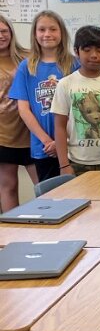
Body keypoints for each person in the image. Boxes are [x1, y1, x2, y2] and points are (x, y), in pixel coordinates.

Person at [9, 10, 78, 182]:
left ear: (62, 33)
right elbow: (24, 110)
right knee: (48, 195)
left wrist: (62, 141)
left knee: (76, 193)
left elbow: (79, 109)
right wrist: (47, 141)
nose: (47, 34)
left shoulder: (74, 64)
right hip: (43, 146)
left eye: (53, 29)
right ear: (35, 34)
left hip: (72, 144)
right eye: (42, 30)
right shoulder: (26, 67)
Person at [52, 26, 100, 176]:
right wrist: (64, 165)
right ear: (76, 51)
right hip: (77, 161)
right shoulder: (65, 84)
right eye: (87, 50)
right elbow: (60, 127)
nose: (94, 55)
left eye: (99, 50)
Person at [0, 15, 37, 211]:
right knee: (9, 186)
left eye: (4, 31)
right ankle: (12, 229)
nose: (1, 36)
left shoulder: (28, 56)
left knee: (43, 186)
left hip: (32, 131)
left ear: (11, 32)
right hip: (3, 133)